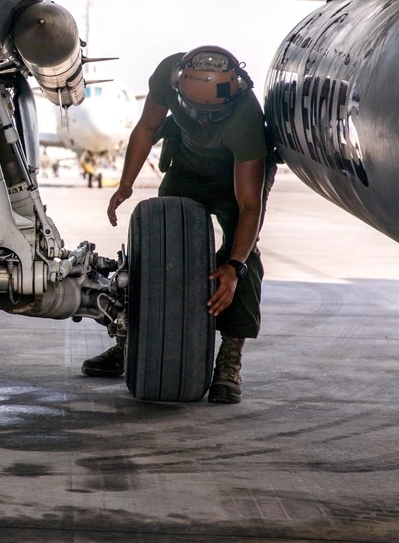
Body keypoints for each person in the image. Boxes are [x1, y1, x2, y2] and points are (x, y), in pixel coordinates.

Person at [84, 46, 276, 404]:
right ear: (179, 88)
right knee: (159, 248)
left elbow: (250, 205)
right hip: (188, 165)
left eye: (211, 115)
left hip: (235, 178)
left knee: (245, 261)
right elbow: (146, 126)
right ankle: (131, 344)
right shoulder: (168, 75)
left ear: (230, 99)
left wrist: (233, 267)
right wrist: (126, 184)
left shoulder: (245, 116)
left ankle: (229, 359)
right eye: (194, 111)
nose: (202, 120)